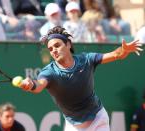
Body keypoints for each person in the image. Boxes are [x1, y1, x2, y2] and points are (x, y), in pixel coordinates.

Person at [14, 26, 143, 131]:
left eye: (57, 45)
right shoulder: (49, 72)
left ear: (68, 44)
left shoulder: (86, 59)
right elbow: (39, 85)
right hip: (74, 125)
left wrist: (124, 50)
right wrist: (30, 84)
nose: (54, 50)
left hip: (98, 118)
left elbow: (115, 55)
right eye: (50, 49)